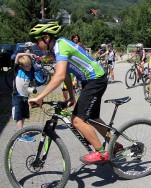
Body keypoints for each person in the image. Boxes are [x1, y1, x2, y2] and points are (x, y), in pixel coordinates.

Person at [28, 19, 122, 164]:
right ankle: (115, 145)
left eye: (36, 41)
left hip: (95, 79)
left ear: (46, 38)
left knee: (77, 120)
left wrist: (40, 97)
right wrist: (71, 96)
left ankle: (101, 153)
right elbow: (64, 73)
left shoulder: (60, 45)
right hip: (91, 80)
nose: (36, 45)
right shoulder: (56, 47)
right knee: (92, 118)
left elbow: (58, 76)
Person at [12, 52, 36, 142]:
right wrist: (29, 54)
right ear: (21, 65)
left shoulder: (29, 72)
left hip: (25, 97)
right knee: (18, 115)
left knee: (24, 115)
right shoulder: (17, 69)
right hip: (17, 96)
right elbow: (18, 55)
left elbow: (31, 83)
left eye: (30, 65)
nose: (29, 67)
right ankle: (21, 135)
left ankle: (20, 130)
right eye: (27, 66)